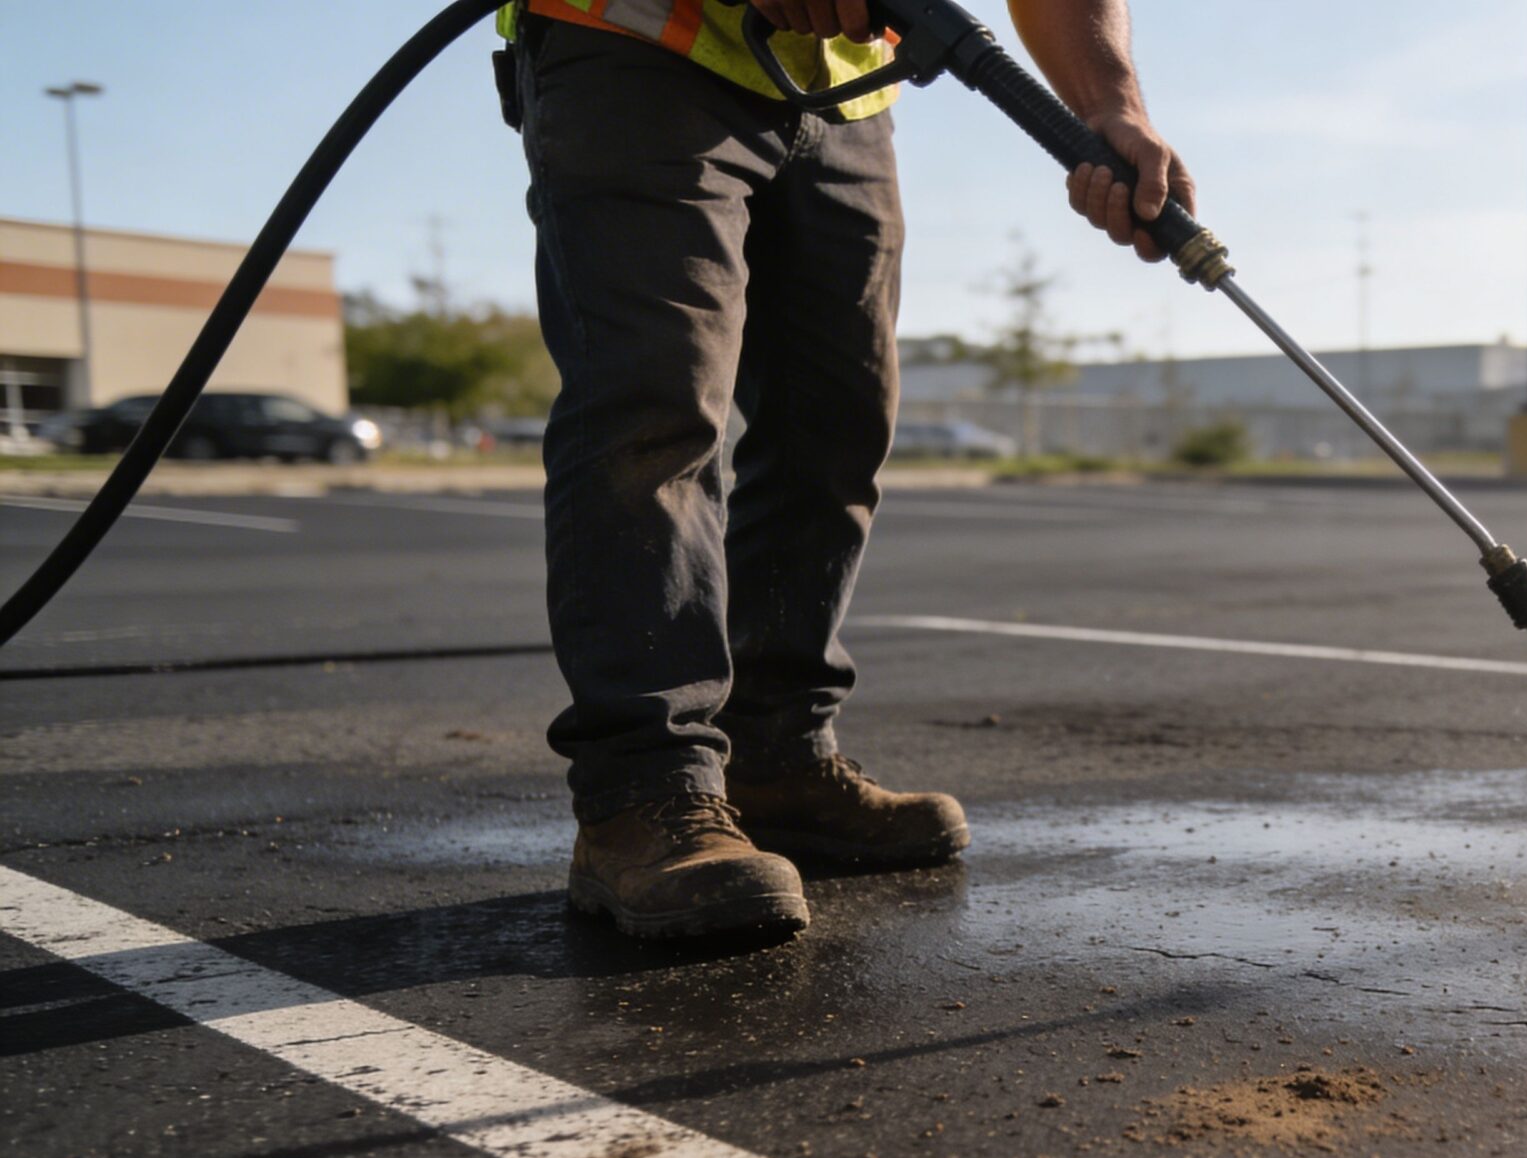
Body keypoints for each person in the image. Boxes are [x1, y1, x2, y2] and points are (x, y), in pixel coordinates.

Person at [502, 0, 1194, 940]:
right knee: (654, 414)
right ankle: (644, 794)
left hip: (841, 93)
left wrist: (1112, 101)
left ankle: (777, 760)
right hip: (637, 45)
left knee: (838, 422)